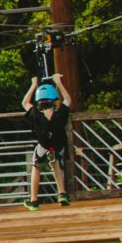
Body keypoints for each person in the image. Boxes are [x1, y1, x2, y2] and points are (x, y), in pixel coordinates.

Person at [20, 74, 73, 210]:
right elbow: (68, 99)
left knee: (36, 169)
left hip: (43, 147)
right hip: (57, 146)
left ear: (39, 102)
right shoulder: (60, 114)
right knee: (56, 166)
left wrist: (33, 85)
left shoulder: (35, 115)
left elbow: (25, 103)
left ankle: (34, 200)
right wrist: (59, 82)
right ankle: (62, 194)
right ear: (55, 101)